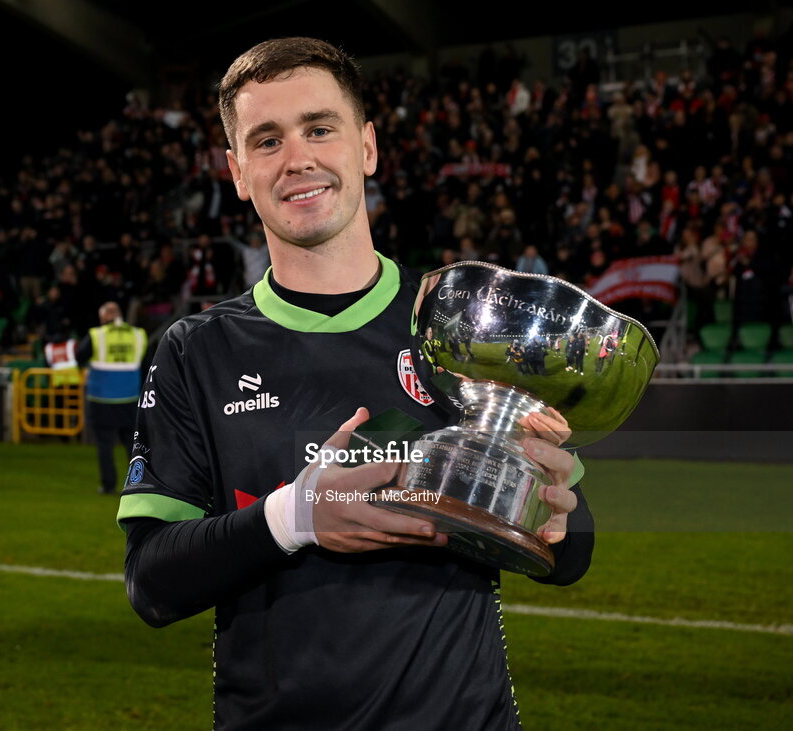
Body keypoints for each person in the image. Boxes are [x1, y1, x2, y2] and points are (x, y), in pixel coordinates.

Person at [120, 38, 593, 730]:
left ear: (367, 146)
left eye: (319, 128)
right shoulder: (197, 352)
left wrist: (553, 506)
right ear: (239, 172)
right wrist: (295, 516)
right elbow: (152, 583)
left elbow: (572, 550)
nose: (298, 158)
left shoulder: (460, 326)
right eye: (267, 140)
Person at [76, 302, 147, 495]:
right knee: (134, 446)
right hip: (130, 398)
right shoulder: (138, 334)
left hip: (101, 399)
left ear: (103, 317)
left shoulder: (97, 335)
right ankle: (138, 484)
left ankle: (108, 485)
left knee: (104, 445)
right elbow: (147, 362)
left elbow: (79, 356)